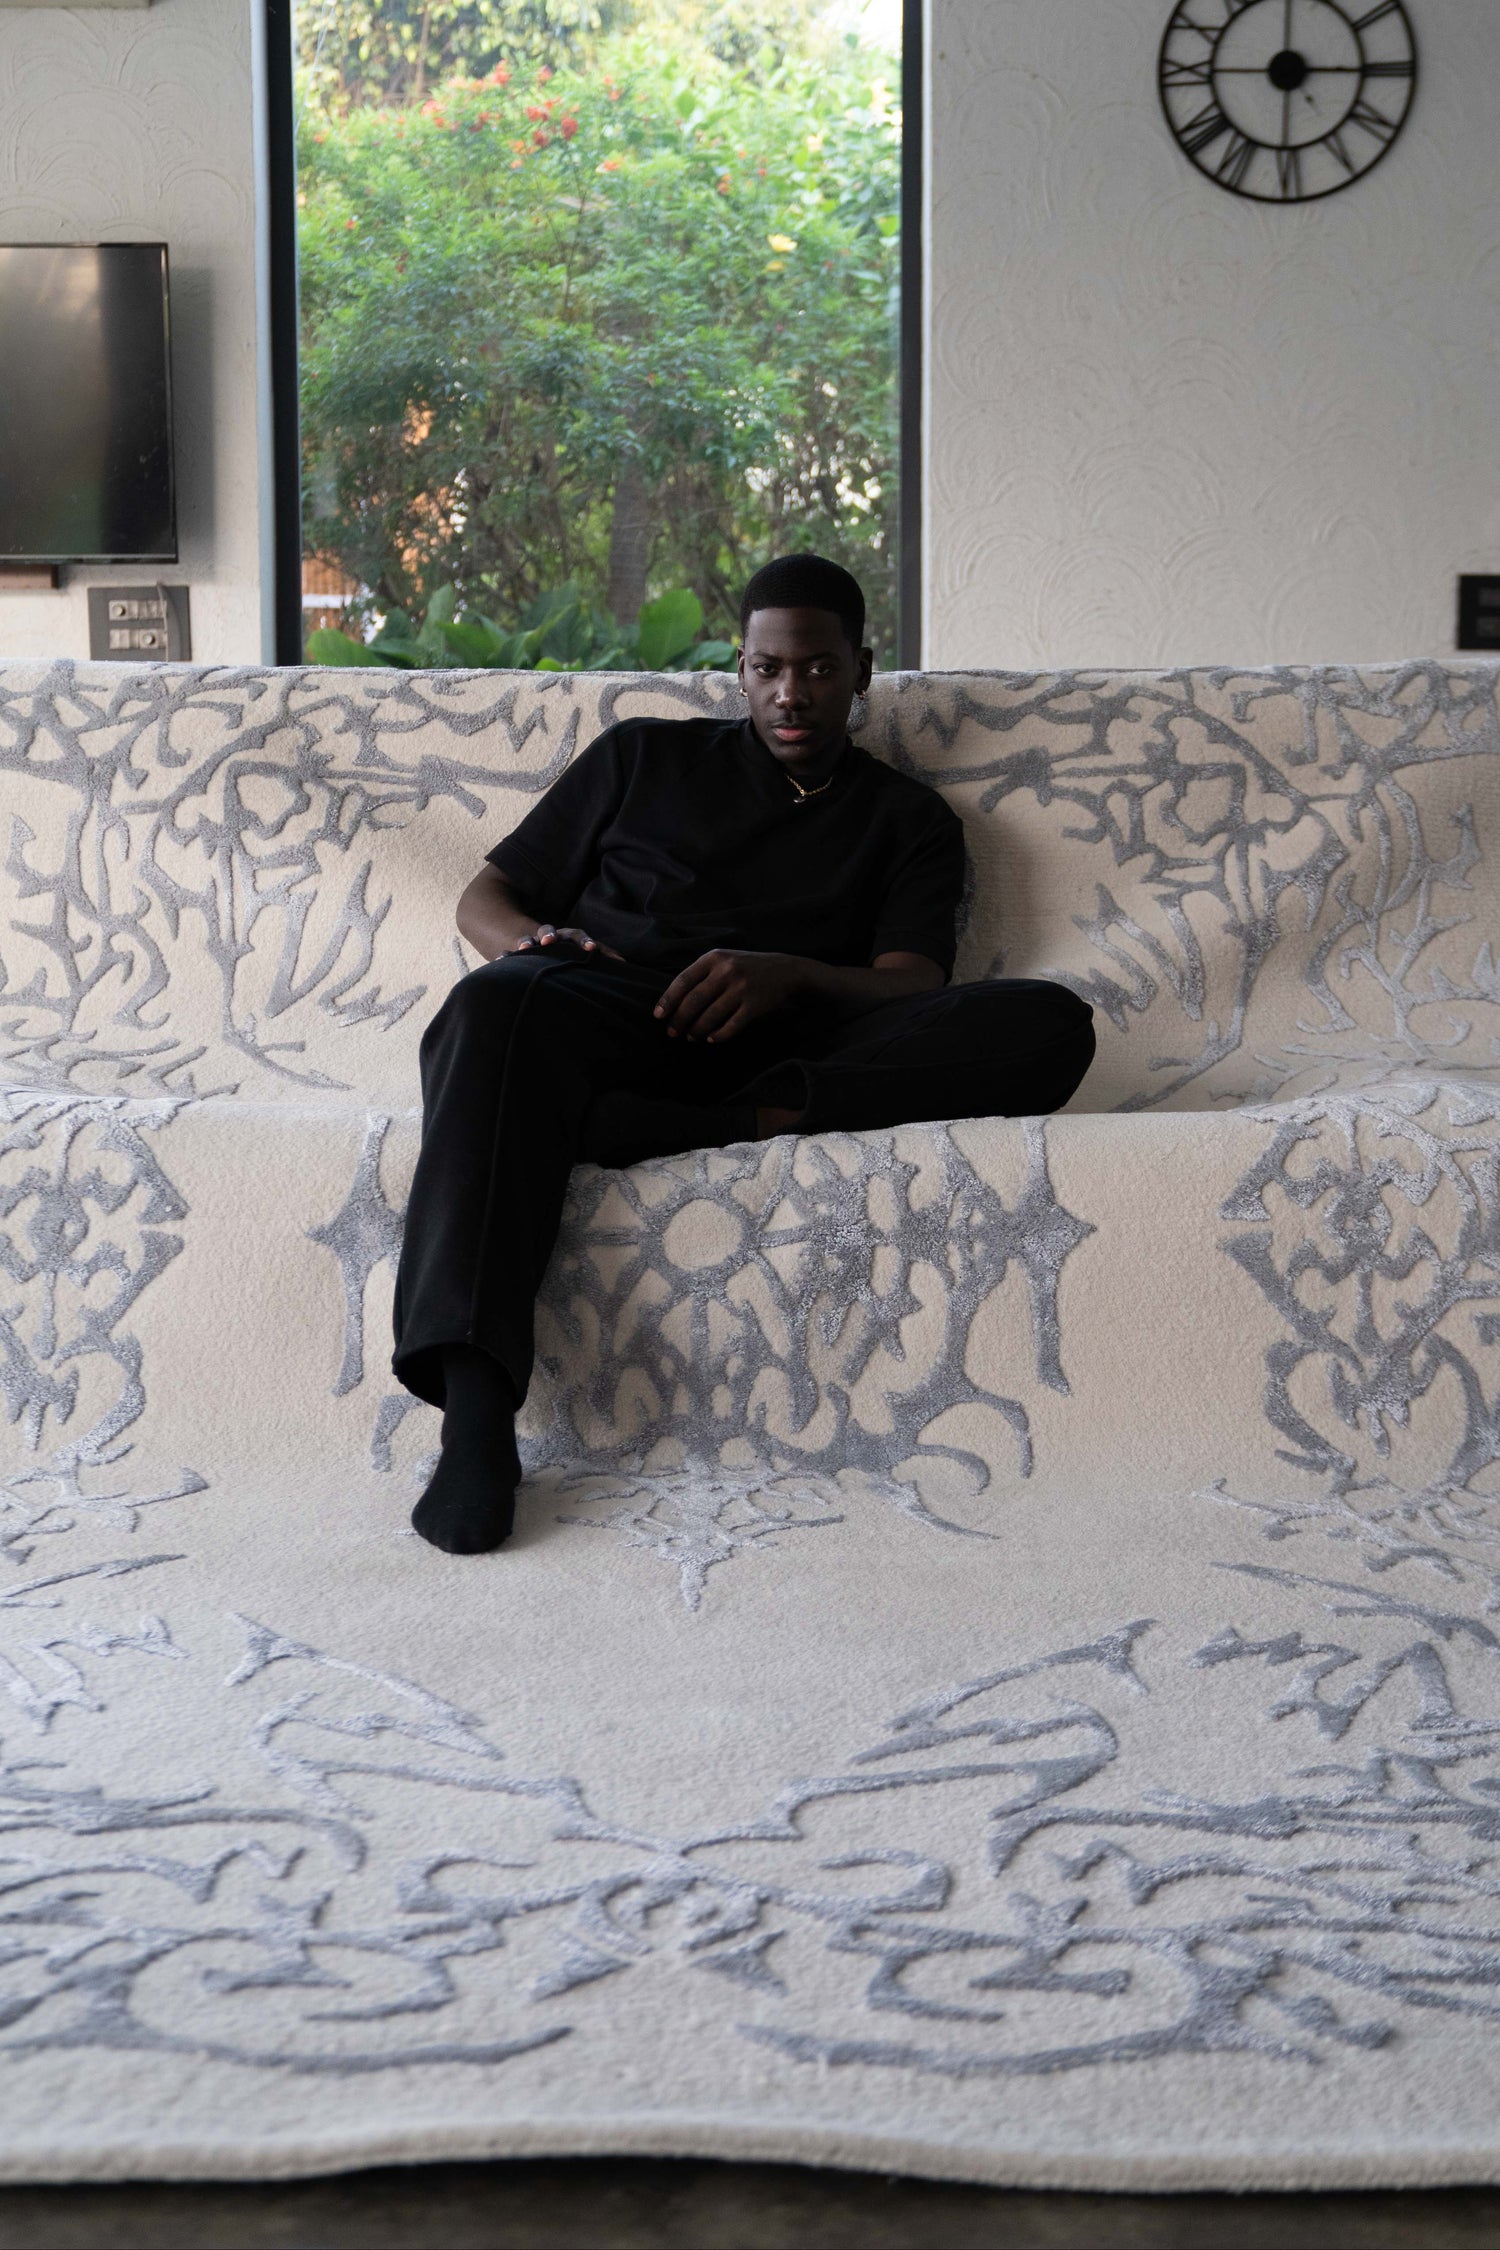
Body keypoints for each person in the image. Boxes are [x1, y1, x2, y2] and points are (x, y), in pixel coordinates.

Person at [392, 553, 1094, 1554]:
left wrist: (790, 974)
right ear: (740, 668)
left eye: (814, 669)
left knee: (1050, 1026)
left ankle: (718, 1126)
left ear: (861, 670)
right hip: (622, 1013)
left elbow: (910, 983)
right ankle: (474, 1422)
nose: (790, 692)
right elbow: (485, 901)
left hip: (801, 1047)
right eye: (767, 669)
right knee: (490, 1005)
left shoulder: (908, 821)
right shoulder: (641, 758)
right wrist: (529, 948)